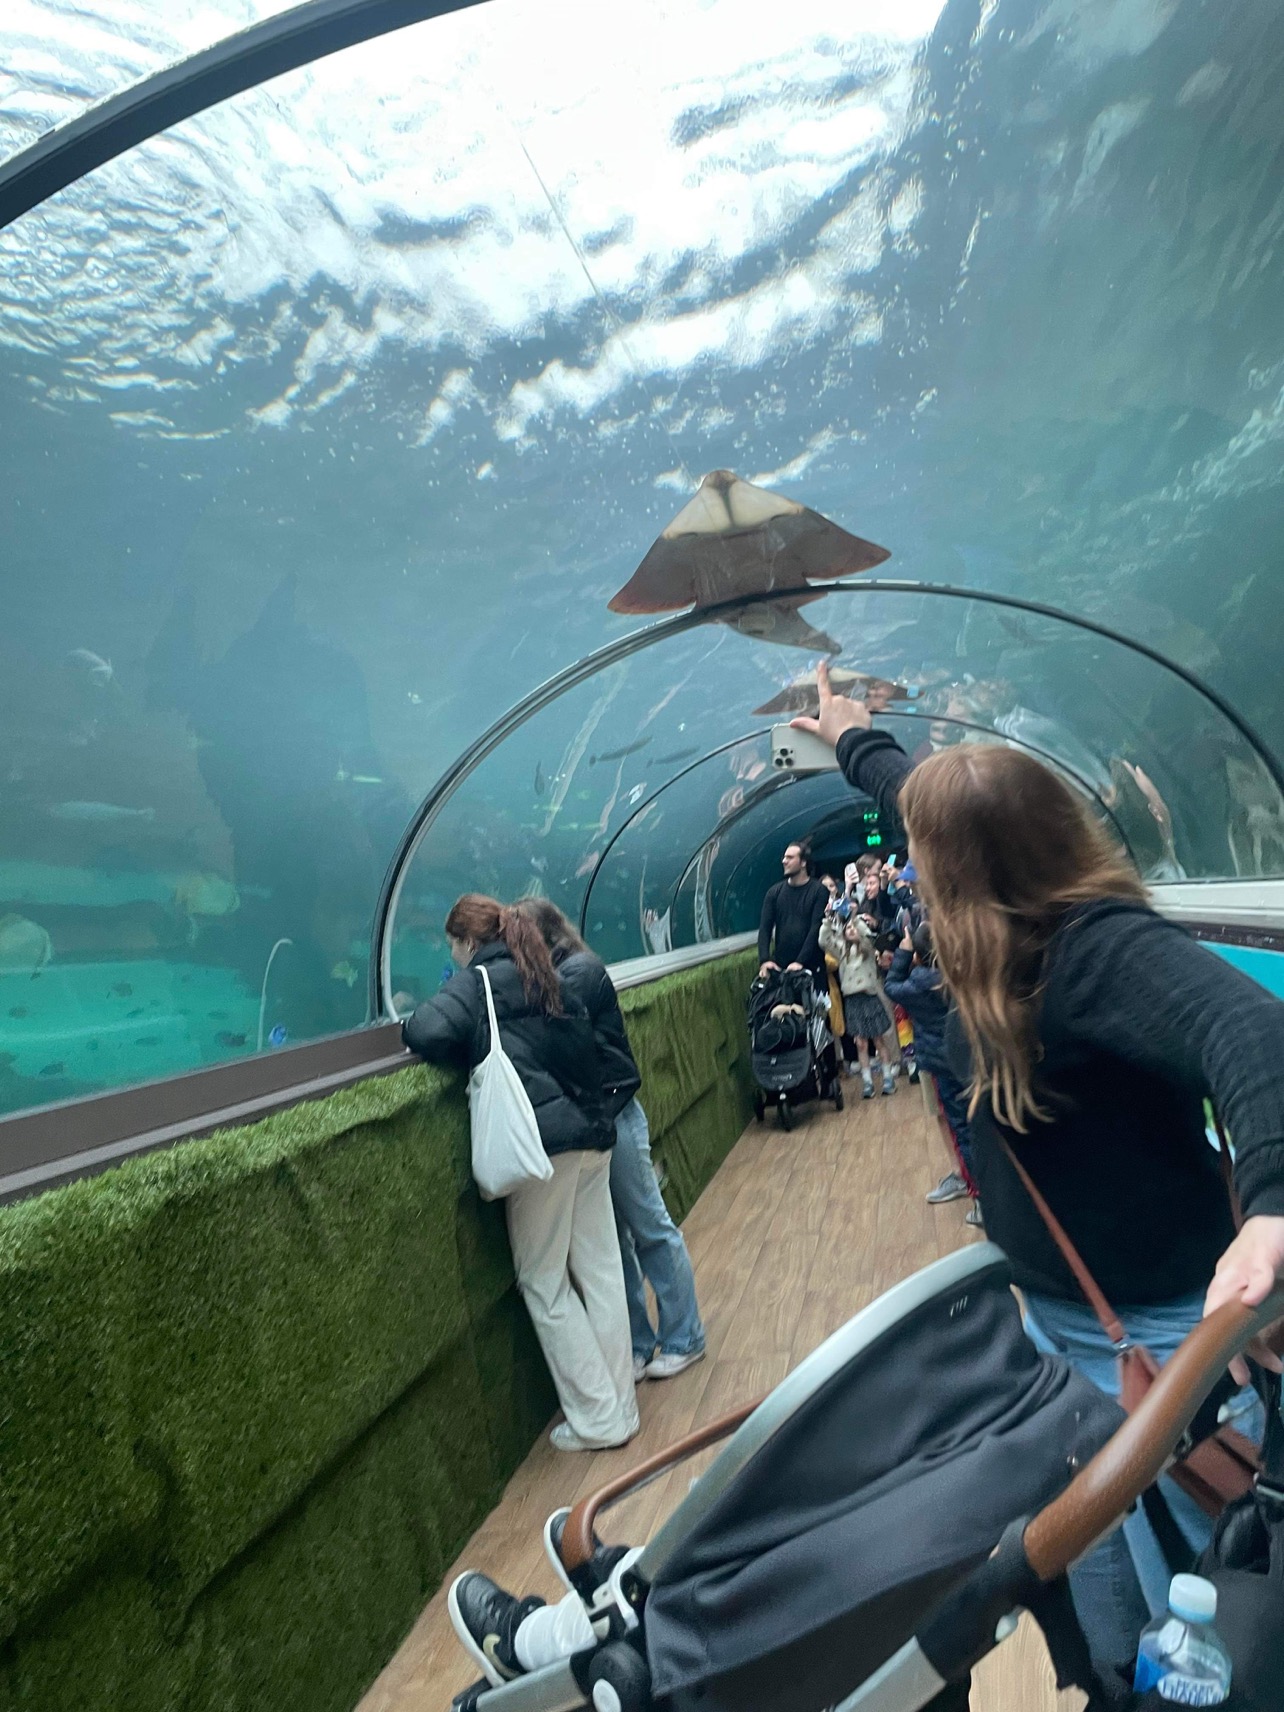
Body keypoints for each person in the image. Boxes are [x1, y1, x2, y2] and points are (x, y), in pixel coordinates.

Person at [790, 662, 1284, 1671]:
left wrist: (1274, 1208)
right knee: (1088, 1583)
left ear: (959, 872)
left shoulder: (1093, 947)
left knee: (1189, 1619)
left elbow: (1252, 1028)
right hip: (1060, 1326)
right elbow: (923, 798)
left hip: (1152, 1338)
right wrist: (852, 737)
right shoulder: (1007, 908)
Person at [402, 895, 639, 1452]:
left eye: (453, 947)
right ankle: (622, 1408)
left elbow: (429, 1031)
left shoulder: (479, 980)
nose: (455, 957)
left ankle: (599, 1420)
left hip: (542, 1151)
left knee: (544, 1281)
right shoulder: (546, 972)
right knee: (601, 1272)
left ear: (467, 942)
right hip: (591, 1138)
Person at [513, 898, 706, 1383]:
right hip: (594, 1121)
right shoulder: (565, 969)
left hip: (615, 1115)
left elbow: (550, 1028)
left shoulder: (578, 971)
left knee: (649, 1227)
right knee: (615, 1243)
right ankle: (638, 1344)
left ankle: (686, 1337)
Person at [884, 921, 979, 1222]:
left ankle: (979, 1199)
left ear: (917, 955)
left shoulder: (916, 985)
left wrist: (902, 951)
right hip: (971, 1061)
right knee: (979, 1125)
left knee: (961, 1130)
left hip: (940, 1065)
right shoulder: (961, 976)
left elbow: (890, 986)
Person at [819, 911, 898, 1098]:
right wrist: (827, 921)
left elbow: (869, 935)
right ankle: (868, 1082)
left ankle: (888, 1078)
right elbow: (824, 941)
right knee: (861, 1044)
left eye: (854, 928)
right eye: (848, 929)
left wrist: (855, 920)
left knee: (878, 1040)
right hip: (853, 1001)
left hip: (870, 997)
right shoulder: (842, 951)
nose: (851, 930)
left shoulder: (869, 948)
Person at [757, 839, 828, 982]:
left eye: (790, 858)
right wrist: (764, 960)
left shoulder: (818, 891)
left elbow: (815, 927)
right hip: (782, 967)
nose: (784, 861)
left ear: (803, 863)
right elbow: (765, 928)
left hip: (812, 967)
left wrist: (800, 961)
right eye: (784, 857)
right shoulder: (774, 892)